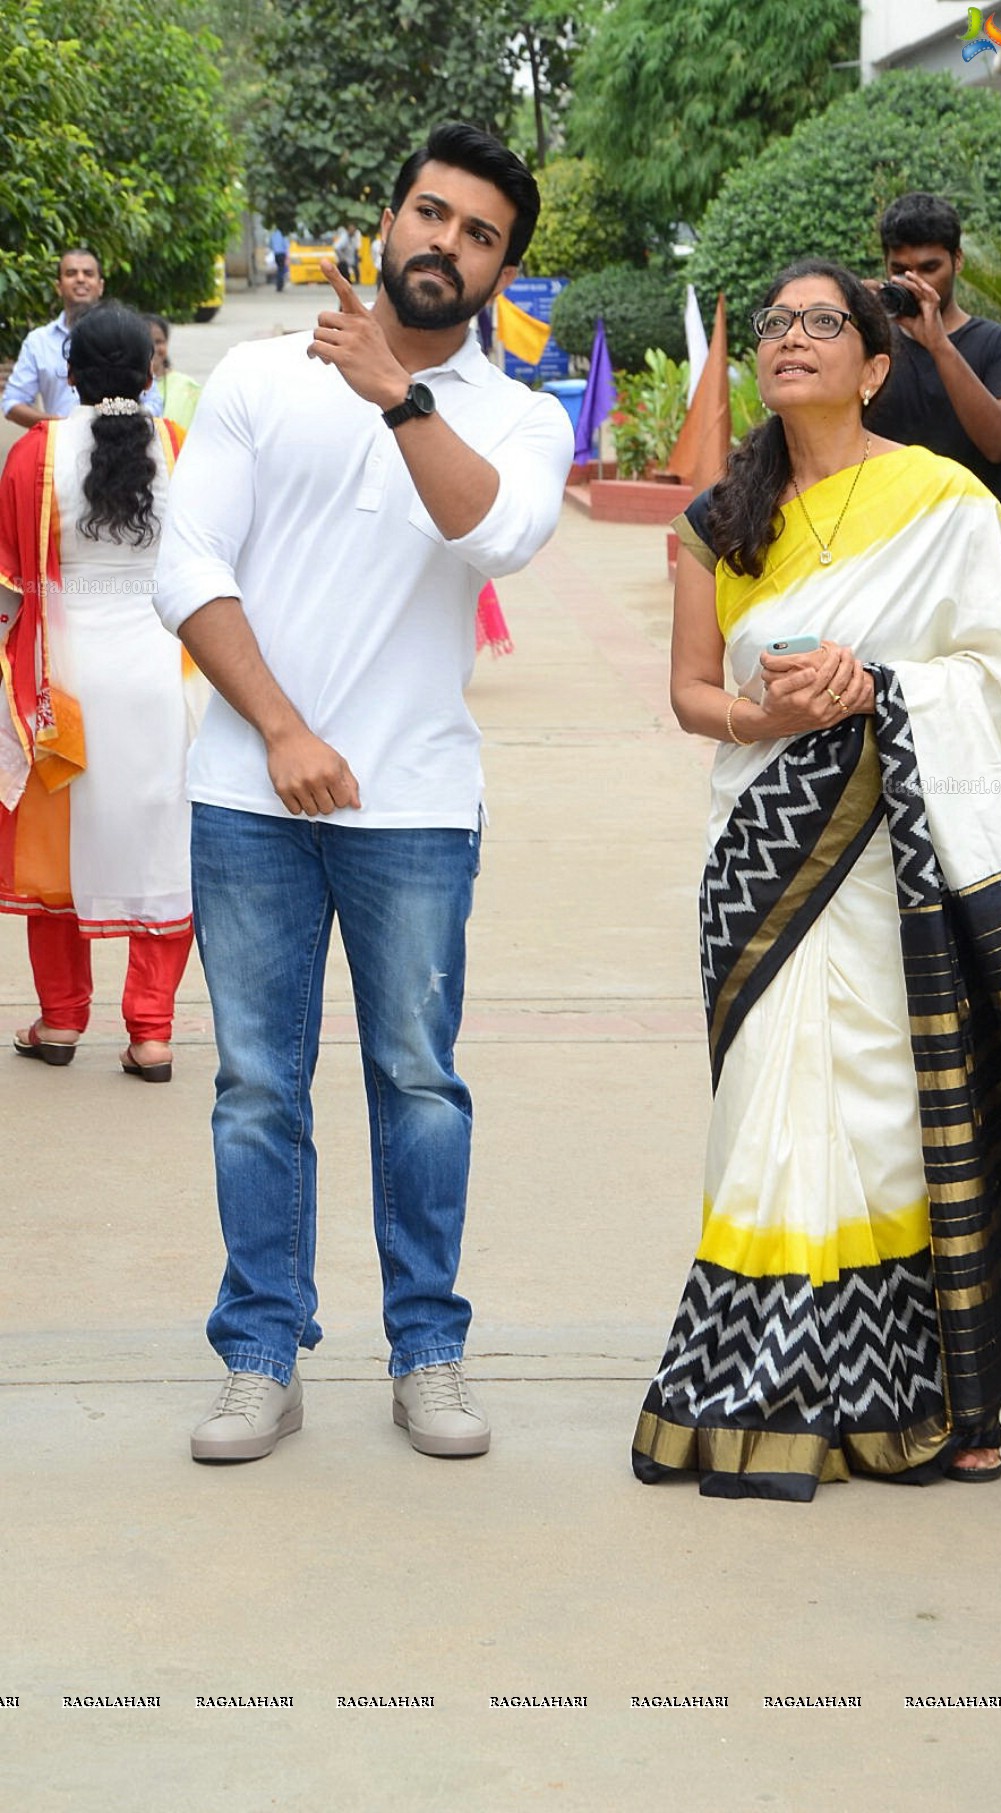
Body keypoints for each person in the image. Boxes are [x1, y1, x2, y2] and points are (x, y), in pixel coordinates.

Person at [631, 259, 1001, 1502]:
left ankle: (929, 1390)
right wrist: (767, 714)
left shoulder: (945, 503)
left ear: (874, 363)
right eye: (774, 323)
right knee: (765, 1116)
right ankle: (770, 1384)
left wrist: (883, 691)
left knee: (894, 1113)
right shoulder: (714, 520)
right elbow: (687, 698)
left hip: (909, 866)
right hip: (768, 854)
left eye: (820, 322)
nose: (788, 340)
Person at [154, 121, 575, 1464]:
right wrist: (277, 729)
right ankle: (260, 1353)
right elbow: (186, 565)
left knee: (416, 1080)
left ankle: (429, 1350)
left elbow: (497, 535)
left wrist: (400, 393)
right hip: (248, 794)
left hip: (413, 809)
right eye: (429, 215)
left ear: (503, 266)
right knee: (257, 1087)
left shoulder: (515, 414)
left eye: (478, 234)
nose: (445, 244)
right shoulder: (260, 378)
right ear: (385, 220)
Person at [0, 303, 201, 1080]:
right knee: (161, 848)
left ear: (70, 371)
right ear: (151, 371)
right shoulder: (178, 448)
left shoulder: (35, 454)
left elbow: (10, 589)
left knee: (59, 856)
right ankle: (150, 1033)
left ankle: (59, 1020)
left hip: (63, 683)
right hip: (163, 678)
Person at [863, 192, 1001, 516]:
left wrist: (939, 344)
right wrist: (850, 314)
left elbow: (1000, 443)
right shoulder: (870, 346)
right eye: (900, 270)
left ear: (957, 260)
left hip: (971, 538)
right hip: (883, 534)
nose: (915, 282)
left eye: (930, 268)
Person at [3, 249, 162, 429]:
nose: (80, 279)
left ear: (100, 285)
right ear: (58, 286)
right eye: (71, 273)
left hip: (126, 445)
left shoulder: (127, 334)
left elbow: (154, 402)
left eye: (88, 273)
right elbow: (12, 403)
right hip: (61, 450)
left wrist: (123, 422)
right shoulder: (38, 342)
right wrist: (63, 427)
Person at [143, 314, 202, 432]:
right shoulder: (127, 387)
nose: (153, 348)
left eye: (159, 342)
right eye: (146, 342)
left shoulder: (188, 388)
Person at [267, 227, 289, 293]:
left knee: (279, 269)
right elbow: (286, 245)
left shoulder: (273, 234)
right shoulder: (283, 234)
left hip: (276, 254)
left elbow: (270, 245)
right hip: (282, 253)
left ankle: (279, 285)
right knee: (281, 270)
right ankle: (280, 286)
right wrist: (287, 255)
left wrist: (274, 249)